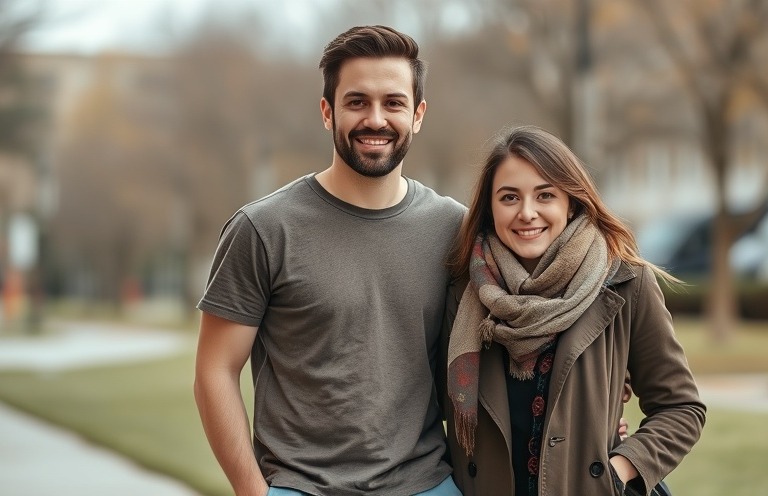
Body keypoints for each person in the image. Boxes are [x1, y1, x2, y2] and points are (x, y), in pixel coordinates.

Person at [193, 25, 466, 496]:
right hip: (301, 486)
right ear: (327, 111)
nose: (375, 119)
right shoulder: (264, 229)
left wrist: (607, 384)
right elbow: (214, 372)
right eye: (357, 102)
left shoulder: (454, 229)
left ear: (418, 115)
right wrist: (251, 491)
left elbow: (518, 326)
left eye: (393, 103)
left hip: (426, 484)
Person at [443, 125, 706, 496]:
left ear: (571, 203)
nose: (527, 212)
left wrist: (617, 472)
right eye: (509, 198)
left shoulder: (625, 282)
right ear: (490, 208)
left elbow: (681, 408)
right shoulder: (462, 291)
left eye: (545, 195)